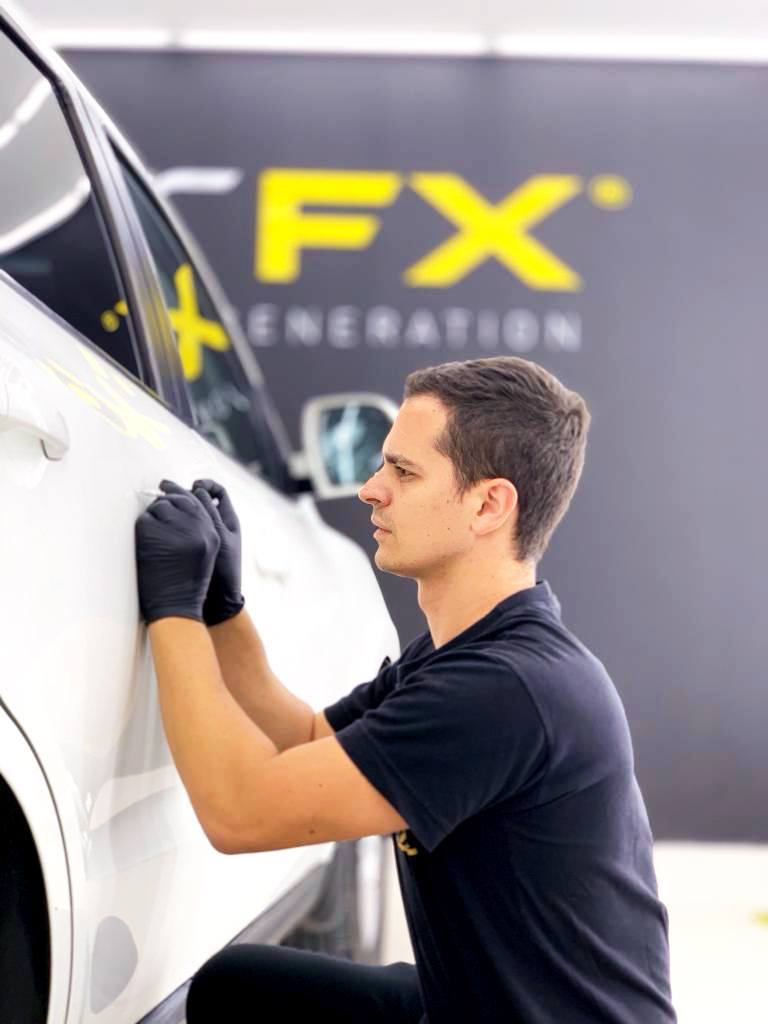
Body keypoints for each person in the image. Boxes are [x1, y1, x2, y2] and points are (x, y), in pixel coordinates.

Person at [135, 355, 677, 1023]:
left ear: (488, 505)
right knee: (235, 989)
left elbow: (239, 813)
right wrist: (221, 611)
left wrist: (171, 610)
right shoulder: (469, 655)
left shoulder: (504, 690)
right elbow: (307, 740)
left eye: (403, 472)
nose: (370, 489)